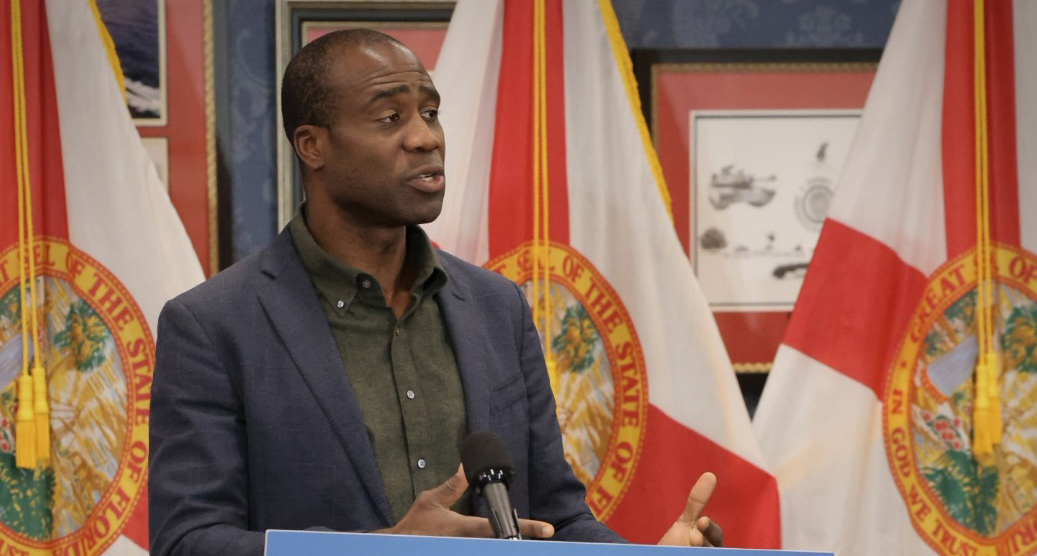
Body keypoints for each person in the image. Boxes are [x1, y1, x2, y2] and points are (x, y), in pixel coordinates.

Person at [148, 29, 723, 556]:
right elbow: (188, 541)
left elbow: (555, 519)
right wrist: (383, 549)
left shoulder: (497, 307)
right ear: (312, 145)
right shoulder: (213, 324)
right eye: (389, 118)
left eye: (429, 113)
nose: (425, 138)